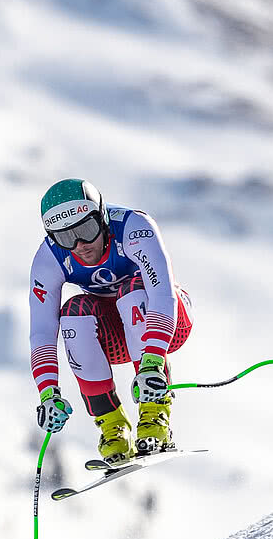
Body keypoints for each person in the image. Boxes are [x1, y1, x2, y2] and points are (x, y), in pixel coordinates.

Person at [29, 178, 194, 464]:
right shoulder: (49, 257)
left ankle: (155, 413)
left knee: (132, 290)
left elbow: (162, 294)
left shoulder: (134, 228)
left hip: (167, 323)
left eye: (87, 230)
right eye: (66, 238)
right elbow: (42, 331)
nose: (79, 245)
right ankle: (112, 428)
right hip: (116, 337)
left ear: (102, 217)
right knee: (73, 312)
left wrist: (152, 360)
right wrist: (48, 393)